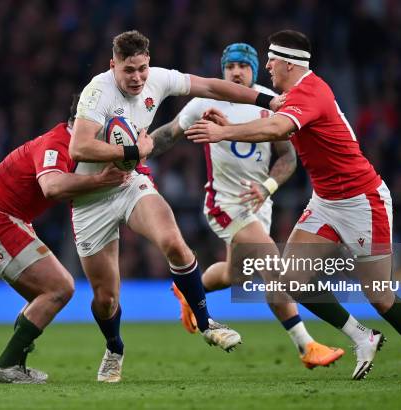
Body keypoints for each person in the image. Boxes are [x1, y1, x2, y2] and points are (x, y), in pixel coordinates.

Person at [185, 30, 401, 380]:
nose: (268, 66)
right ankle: (361, 336)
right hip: (325, 201)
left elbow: (276, 130)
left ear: (289, 62)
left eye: (271, 59)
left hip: (362, 200)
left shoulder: (311, 91)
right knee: (290, 280)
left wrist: (223, 133)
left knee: (379, 296)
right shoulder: (293, 94)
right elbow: (278, 127)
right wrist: (231, 125)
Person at [68, 30, 282, 383]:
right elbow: (79, 148)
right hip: (91, 197)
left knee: (173, 242)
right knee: (106, 299)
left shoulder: (160, 79)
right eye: (129, 71)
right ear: (113, 66)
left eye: (142, 69)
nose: (137, 78)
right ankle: (115, 347)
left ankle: (205, 321)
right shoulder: (97, 91)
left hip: (128, 184)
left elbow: (213, 87)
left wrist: (265, 100)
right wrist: (134, 152)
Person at [150, 42, 344, 369]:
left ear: (254, 70)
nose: (236, 72)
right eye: (230, 66)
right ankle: (306, 346)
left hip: (257, 204)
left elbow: (287, 158)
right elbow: (169, 134)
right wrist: (136, 152)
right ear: (223, 70)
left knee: (234, 274)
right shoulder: (204, 103)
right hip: (224, 204)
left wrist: (267, 186)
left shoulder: (269, 106)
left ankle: (187, 289)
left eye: (243, 66)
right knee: (272, 266)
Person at [0, 122, 130, 384]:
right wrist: (99, 181)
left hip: (9, 219)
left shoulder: (70, 145)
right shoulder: (57, 142)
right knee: (60, 288)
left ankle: (14, 364)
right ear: (84, 121)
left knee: (44, 298)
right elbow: (51, 187)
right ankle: (4, 365)